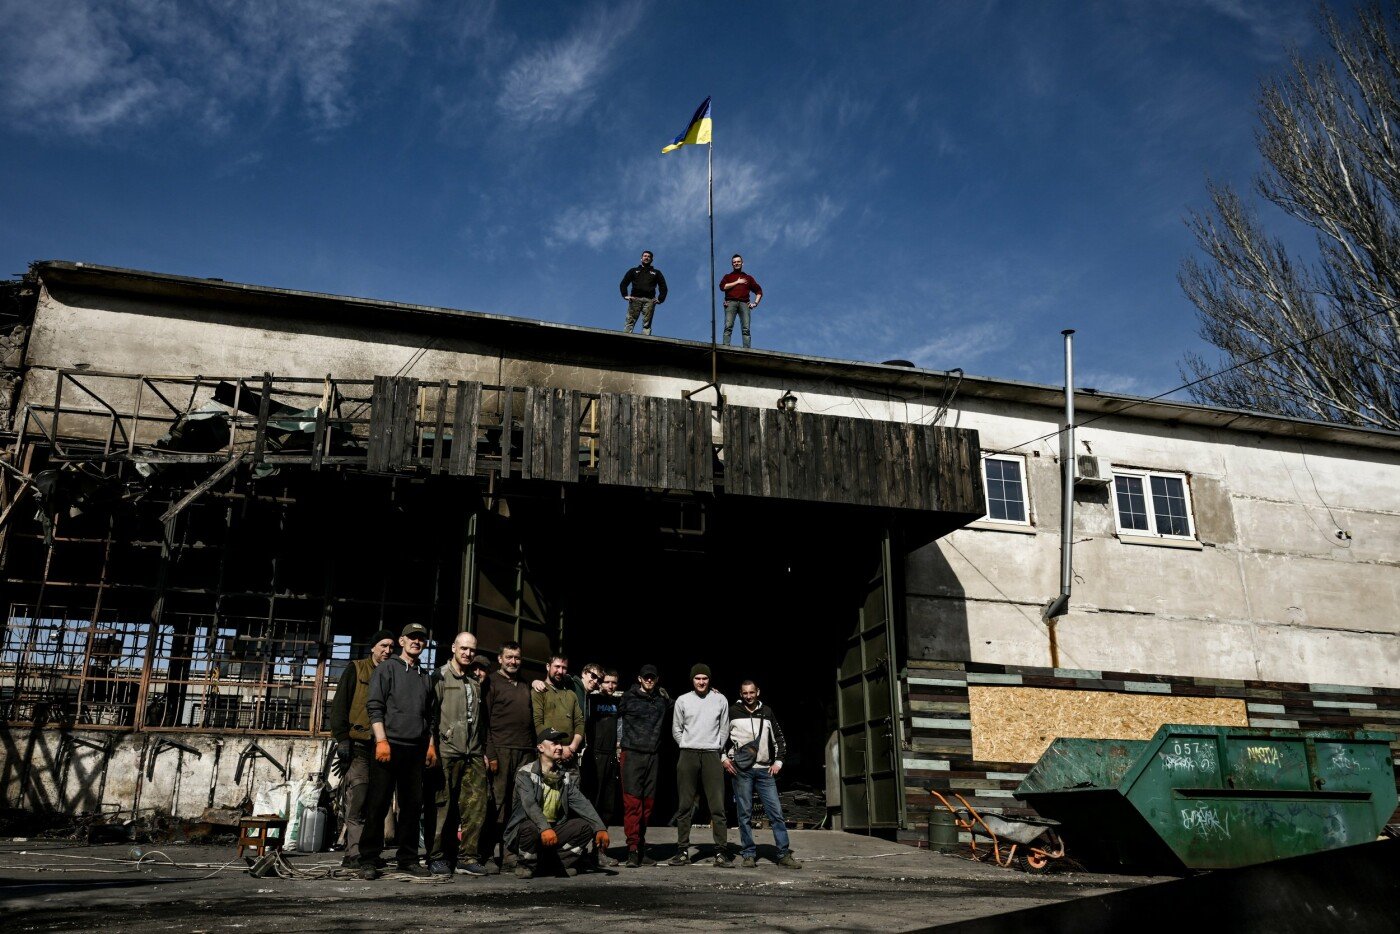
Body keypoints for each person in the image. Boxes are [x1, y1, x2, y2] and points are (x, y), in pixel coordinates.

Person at [360, 622, 438, 879]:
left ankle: (407, 858)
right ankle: (369, 859)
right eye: (412, 637)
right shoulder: (387, 668)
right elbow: (375, 706)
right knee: (378, 804)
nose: (417, 642)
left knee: (412, 807)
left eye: (421, 639)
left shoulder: (424, 676)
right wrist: (381, 740)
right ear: (402, 641)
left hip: (415, 749)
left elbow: (429, 716)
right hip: (389, 747)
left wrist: (429, 747)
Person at [327, 628, 397, 870]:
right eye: (383, 646)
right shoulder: (356, 669)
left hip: (384, 746)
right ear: (373, 647)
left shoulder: (394, 672)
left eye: (391, 647)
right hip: (358, 745)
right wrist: (342, 739)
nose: (388, 650)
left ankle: (370, 852)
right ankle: (354, 853)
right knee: (359, 796)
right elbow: (339, 705)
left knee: (378, 802)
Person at [504, 728, 610, 879]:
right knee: (530, 828)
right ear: (541, 747)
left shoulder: (564, 776)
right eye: (554, 743)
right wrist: (544, 827)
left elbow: (582, 803)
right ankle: (526, 864)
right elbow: (530, 805)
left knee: (584, 827)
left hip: (553, 831)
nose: (560, 747)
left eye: (560, 743)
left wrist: (599, 827)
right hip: (530, 829)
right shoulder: (525, 774)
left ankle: (555, 863)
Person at [426, 632, 490, 876]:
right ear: (453, 648)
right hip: (447, 752)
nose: (467, 653)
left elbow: (478, 720)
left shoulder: (474, 680)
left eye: (472, 650)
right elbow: (431, 717)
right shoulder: (440, 676)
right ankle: (436, 857)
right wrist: (431, 746)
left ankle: (467, 856)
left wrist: (481, 750)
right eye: (463, 648)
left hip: (472, 753)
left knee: (476, 805)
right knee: (442, 805)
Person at [723, 680, 802, 869]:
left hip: (765, 771)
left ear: (758, 691)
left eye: (752, 692)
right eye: (745, 693)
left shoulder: (767, 712)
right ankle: (748, 854)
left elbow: (779, 739)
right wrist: (724, 759)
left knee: (776, 813)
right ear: (740, 694)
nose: (749, 696)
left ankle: (783, 854)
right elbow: (720, 738)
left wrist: (779, 762)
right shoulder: (732, 712)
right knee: (744, 814)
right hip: (741, 771)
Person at [670, 663, 731, 867]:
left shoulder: (720, 699)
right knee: (685, 805)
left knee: (717, 806)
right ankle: (682, 851)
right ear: (692, 680)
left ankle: (721, 852)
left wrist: (715, 747)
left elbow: (724, 729)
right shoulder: (683, 700)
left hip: (712, 755)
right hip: (688, 754)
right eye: (698, 678)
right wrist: (688, 745)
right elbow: (676, 729)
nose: (701, 682)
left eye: (705, 678)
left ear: (709, 680)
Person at [482, 641, 535, 873]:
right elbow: (485, 722)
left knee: (518, 805)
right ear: (500, 659)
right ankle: (487, 854)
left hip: (524, 751)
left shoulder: (525, 685)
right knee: (496, 805)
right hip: (501, 751)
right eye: (509, 657)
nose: (513, 662)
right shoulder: (491, 683)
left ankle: (510, 853)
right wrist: (490, 753)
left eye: (517, 658)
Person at [615, 664, 670, 867]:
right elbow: (611, 716)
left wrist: (712, 693)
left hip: (652, 757)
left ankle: (641, 849)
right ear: (639, 678)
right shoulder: (628, 698)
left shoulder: (662, 700)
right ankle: (632, 850)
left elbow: (684, 706)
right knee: (632, 804)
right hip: (632, 755)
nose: (649, 680)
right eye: (646, 677)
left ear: (657, 679)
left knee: (647, 806)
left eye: (652, 678)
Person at [532, 654, 584, 769]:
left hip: (570, 756)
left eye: (564, 667)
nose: (560, 671)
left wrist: (571, 748)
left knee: (572, 786)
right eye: (557, 666)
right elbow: (538, 723)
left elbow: (580, 723)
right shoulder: (539, 691)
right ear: (547, 666)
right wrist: (558, 747)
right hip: (548, 757)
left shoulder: (571, 695)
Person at [584, 669, 621, 827]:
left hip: (611, 755)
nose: (610, 685)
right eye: (607, 682)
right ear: (600, 683)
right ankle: (585, 841)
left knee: (608, 802)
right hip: (595, 754)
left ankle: (600, 845)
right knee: (593, 799)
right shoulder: (591, 699)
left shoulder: (618, 702)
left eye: (614, 682)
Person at [718, 254, 762, 348]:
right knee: (728, 326)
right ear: (732, 264)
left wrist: (755, 303)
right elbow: (722, 287)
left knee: (746, 328)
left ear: (742, 263)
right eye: (734, 262)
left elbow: (759, 291)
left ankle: (747, 350)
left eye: (738, 261)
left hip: (744, 304)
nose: (736, 263)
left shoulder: (748, 278)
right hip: (730, 303)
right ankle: (725, 347)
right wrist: (737, 282)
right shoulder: (728, 276)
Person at [619, 250, 668, 335]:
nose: (647, 257)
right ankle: (625, 338)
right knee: (630, 322)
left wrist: (660, 299)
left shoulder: (656, 272)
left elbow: (663, 286)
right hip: (635, 299)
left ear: (651, 259)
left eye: (649, 256)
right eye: (645, 256)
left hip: (649, 300)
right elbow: (623, 283)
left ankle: (645, 341)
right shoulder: (633, 270)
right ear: (641, 258)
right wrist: (625, 295)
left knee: (647, 323)